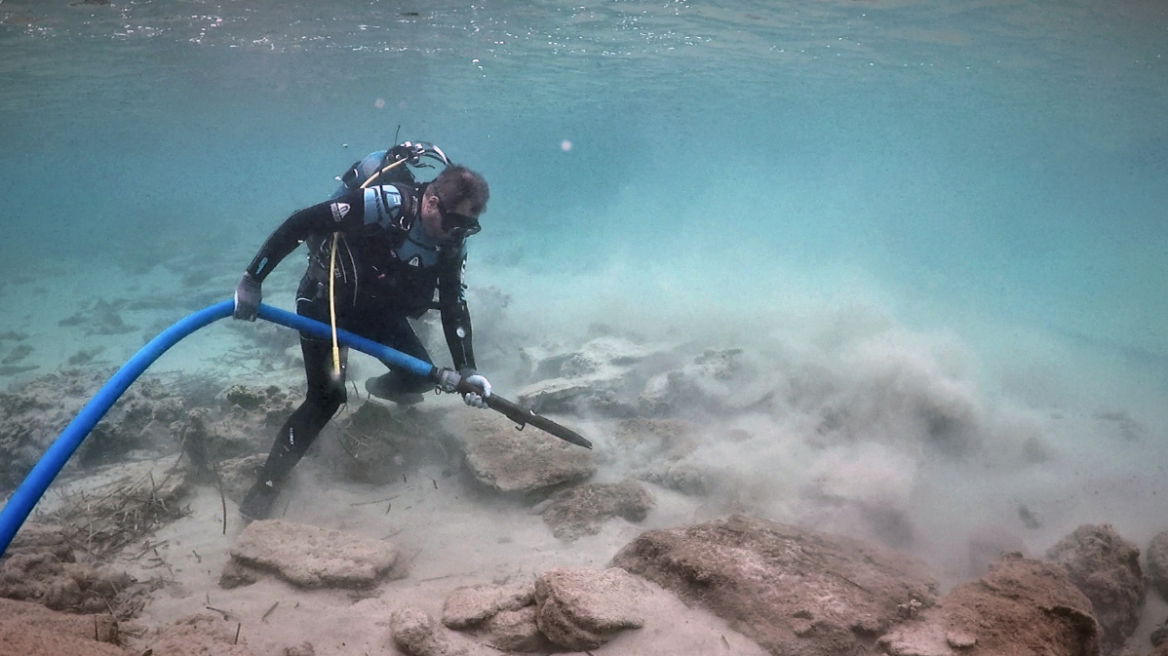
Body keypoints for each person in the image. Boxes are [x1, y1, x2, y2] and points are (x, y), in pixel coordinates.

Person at [231, 143, 493, 520]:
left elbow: (454, 303)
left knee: (419, 377)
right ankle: (265, 488)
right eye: (456, 223)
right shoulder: (384, 203)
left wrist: (468, 369)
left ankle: (375, 393)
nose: (459, 234)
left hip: (377, 312)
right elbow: (300, 222)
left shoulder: (452, 245)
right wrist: (252, 281)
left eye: (470, 226)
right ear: (432, 202)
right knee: (327, 399)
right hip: (326, 306)